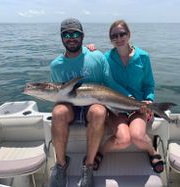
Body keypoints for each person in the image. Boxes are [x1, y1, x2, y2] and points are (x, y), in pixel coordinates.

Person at [48, 18, 131, 187]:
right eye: (67, 34)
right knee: (57, 112)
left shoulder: (96, 56)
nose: (71, 38)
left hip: (94, 104)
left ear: (82, 36)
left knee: (99, 112)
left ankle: (89, 165)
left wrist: (133, 100)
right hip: (71, 106)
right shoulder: (56, 65)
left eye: (75, 34)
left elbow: (110, 83)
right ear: (62, 38)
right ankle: (61, 165)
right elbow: (58, 93)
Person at [92, 20, 164, 173]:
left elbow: (149, 84)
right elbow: (107, 80)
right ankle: (101, 152)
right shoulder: (106, 58)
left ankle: (152, 151)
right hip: (115, 106)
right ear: (110, 39)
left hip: (139, 107)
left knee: (137, 137)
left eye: (122, 34)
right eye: (114, 36)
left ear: (129, 34)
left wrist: (149, 100)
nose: (118, 38)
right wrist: (88, 49)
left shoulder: (143, 56)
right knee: (124, 140)